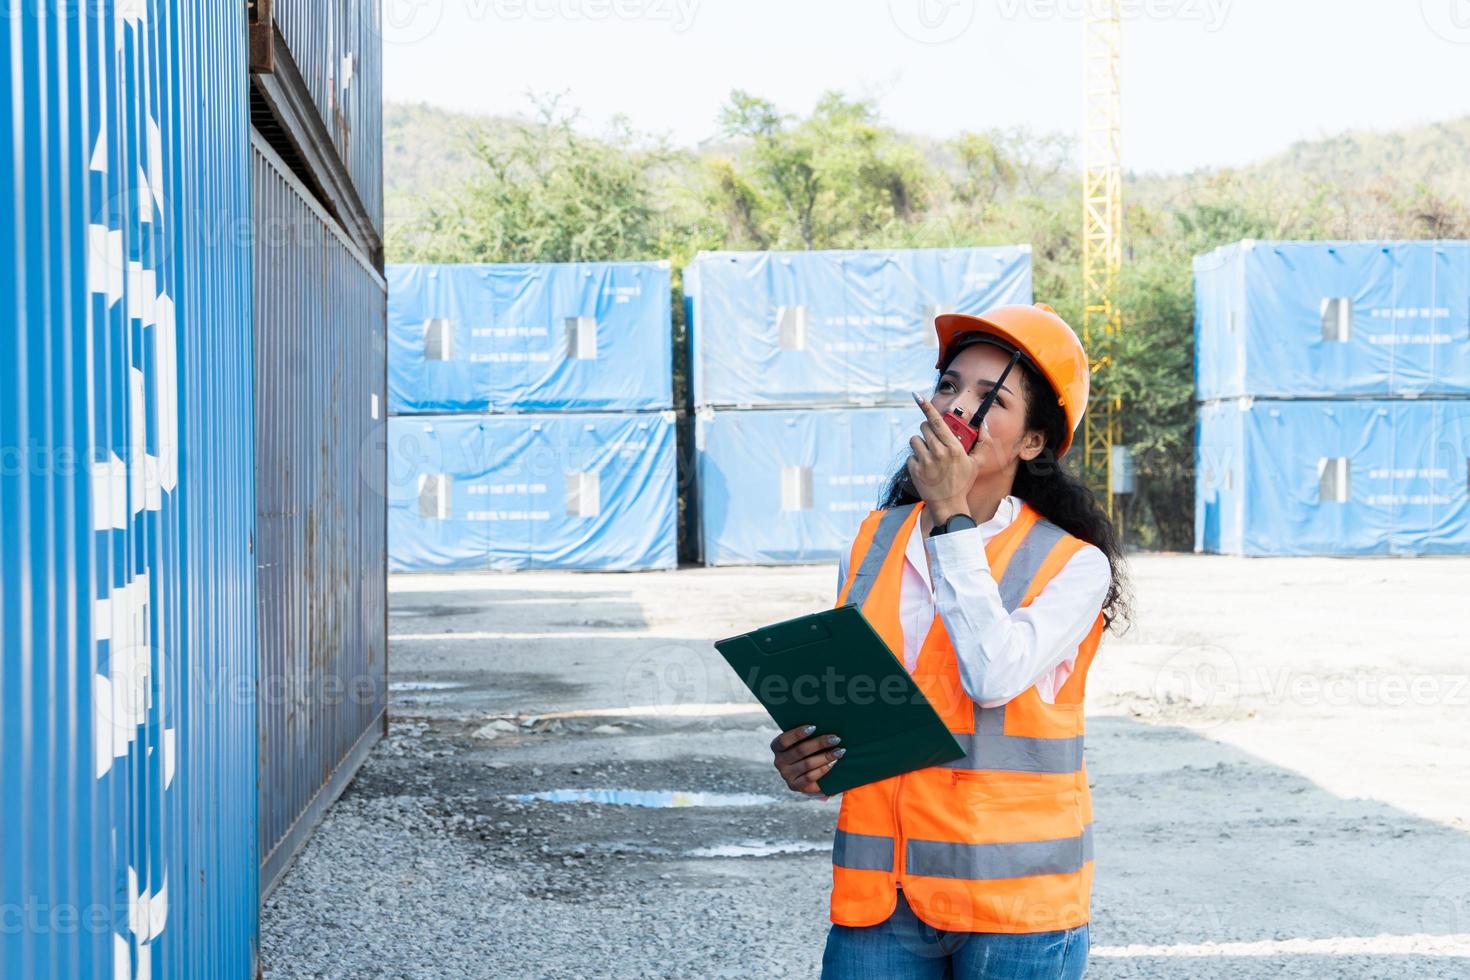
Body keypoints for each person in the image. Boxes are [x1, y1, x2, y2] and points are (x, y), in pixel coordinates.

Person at [768, 303, 1130, 979]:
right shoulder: (873, 540)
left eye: (990, 398)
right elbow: (861, 712)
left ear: (1032, 443)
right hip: (883, 901)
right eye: (948, 386)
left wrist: (949, 516)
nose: (958, 406)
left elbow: (992, 676)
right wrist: (812, 761)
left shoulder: (1075, 566)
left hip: (1014, 911)